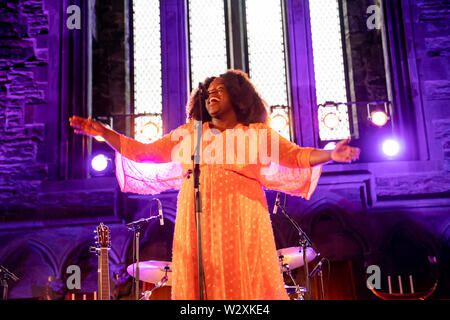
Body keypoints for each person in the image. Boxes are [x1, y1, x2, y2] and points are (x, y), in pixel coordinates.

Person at [70, 69, 360, 300]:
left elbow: (296, 156)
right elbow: (143, 153)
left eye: (220, 90)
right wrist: (103, 133)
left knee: (243, 285)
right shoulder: (189, 133)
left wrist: (331, 154)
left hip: (242, 218)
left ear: (238, 97)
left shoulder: (256, 134)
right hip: (195, 221)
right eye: (208, 92)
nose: (211, 96)